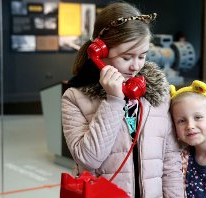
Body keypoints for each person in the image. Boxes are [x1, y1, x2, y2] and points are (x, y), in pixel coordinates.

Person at [61, 2, 183, 197]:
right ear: (99, 52)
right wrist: (114, 101)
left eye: (142, 56)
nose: (136, 66)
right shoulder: (76, 97)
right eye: (126, 58)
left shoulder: (158, 93)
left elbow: (171, 161)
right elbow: (88, 159)